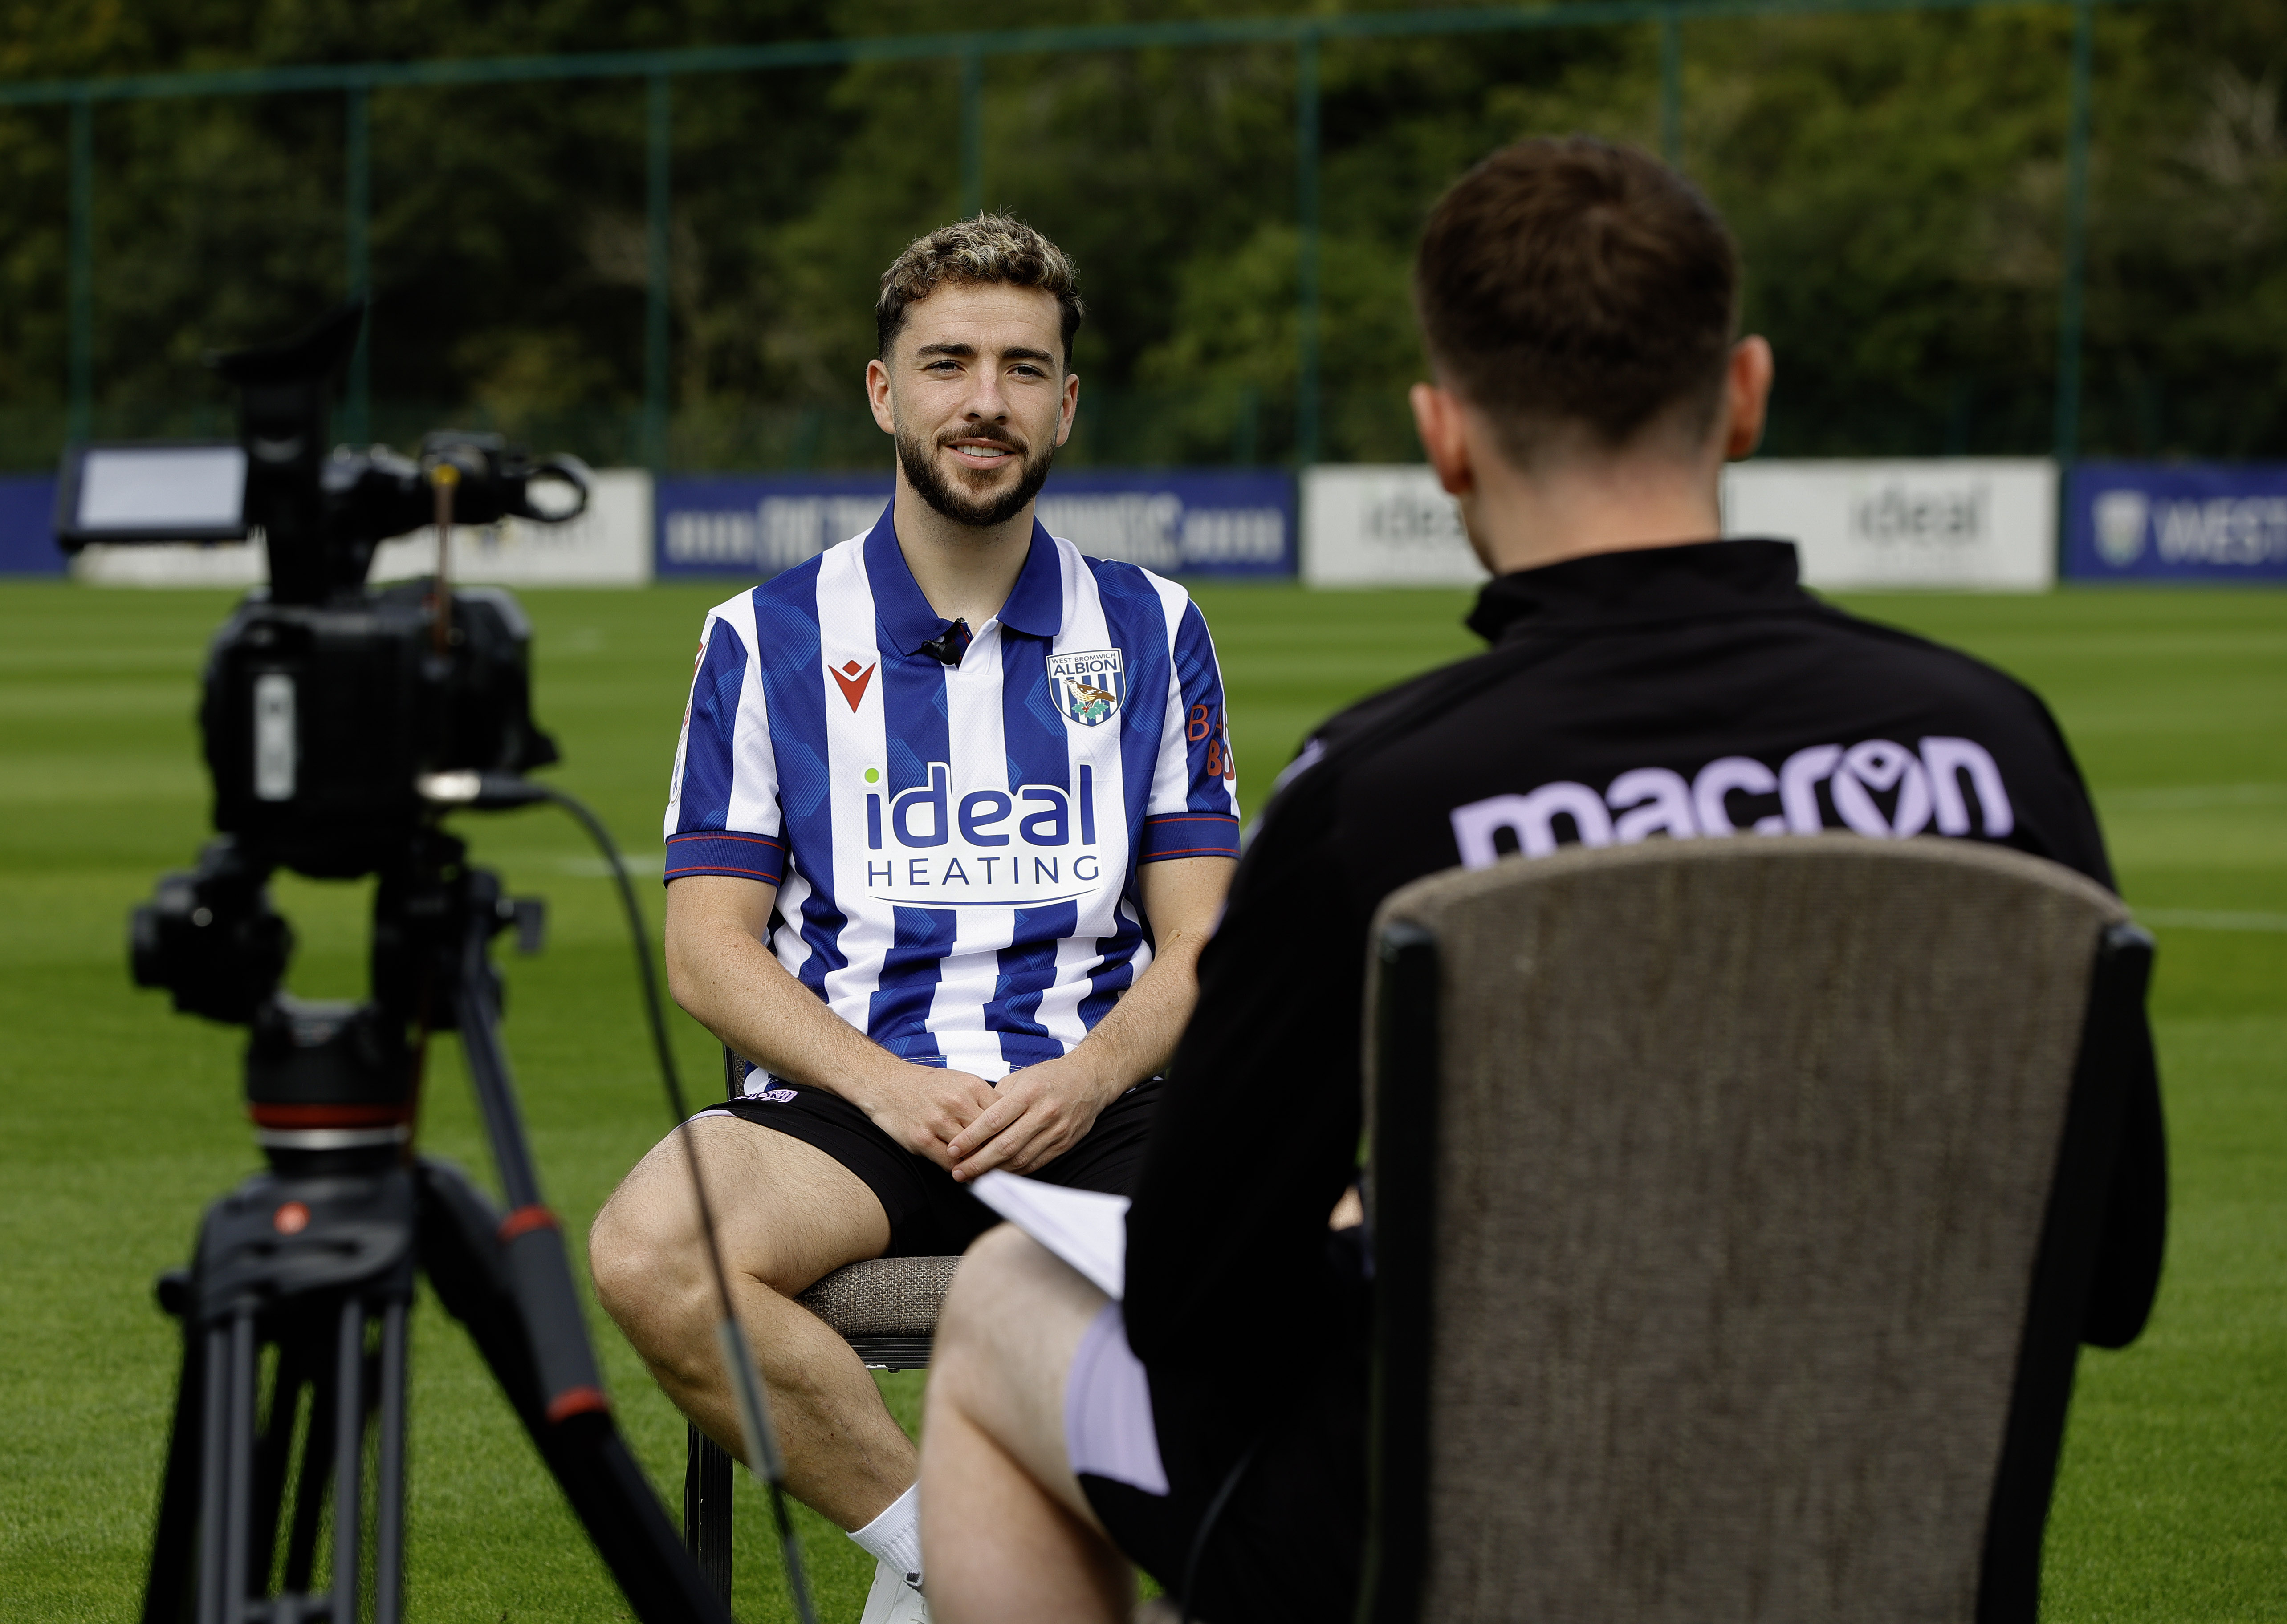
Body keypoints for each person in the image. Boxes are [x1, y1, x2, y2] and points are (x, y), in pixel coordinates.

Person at [918, 138, 2166, 1624]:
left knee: (999, 1305)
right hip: (1879, 1535)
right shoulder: (1993, 744)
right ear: (1747, 393)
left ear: (1445, 437)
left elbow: (1196, 1300)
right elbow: (2114, 1269)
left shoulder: (1380, 793)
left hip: (1480, 1551)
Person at [585, 213, 1240, 1624]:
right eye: (948, 363)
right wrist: (887, 1086)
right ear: (886, 391)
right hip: (854, 1101)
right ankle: (955, 1557)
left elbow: (1204, 947)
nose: (985, 401)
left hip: (1098, 1098)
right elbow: (709, 948)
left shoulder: (1154, 629)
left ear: (1068, 402)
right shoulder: (761, 635)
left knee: (1353, 1244)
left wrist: (1086, 1077)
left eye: (1023, 367)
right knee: (650, 1247)